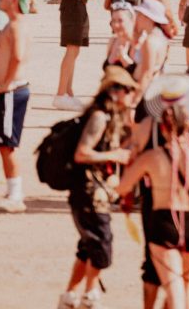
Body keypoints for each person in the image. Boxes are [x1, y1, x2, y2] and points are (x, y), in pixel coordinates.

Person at [58, 67, 137, 309]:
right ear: (114, 91)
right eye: (127, 90)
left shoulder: (114, 117)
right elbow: (82, 153)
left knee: (88, 246)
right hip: (88, 193)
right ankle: (90, 294)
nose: (131, 94)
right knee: (102, 245)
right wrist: (115, 155)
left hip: (98, 193)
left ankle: (70, 295)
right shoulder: (99, 117)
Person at [0, 0, 30, 211]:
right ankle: (13, 191)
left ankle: (15, 195)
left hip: (11, 91)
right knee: (4, 143)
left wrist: (5, 84)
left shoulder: (16, 26)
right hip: (8, 89)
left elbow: (17, 57)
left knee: (7, 144)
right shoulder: (12, 25)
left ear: (13, 0)